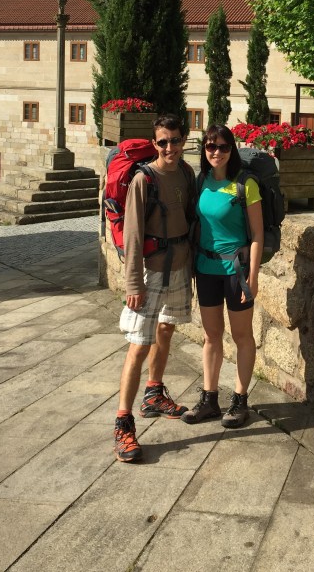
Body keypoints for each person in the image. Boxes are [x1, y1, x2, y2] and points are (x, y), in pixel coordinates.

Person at [113, 114, 196, 463]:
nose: (169, 148)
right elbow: (131, 233)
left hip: (178, 267)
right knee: (139, 346)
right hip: (149, 271)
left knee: (166, 330)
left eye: (175, 140)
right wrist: (133, 282)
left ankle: (154, 393)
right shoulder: (143, 180)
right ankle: (123, 423)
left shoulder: (187, 172)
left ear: (183, 139)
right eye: (162, 142)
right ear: (154, 142)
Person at [182, 124, 263, 429]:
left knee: (242, 336)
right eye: (210, 147)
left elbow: (256, 235)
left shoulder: (245, 185)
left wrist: (253, 278)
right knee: (210, 337)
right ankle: (210, 399)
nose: (216, 152)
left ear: (232, 150)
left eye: (223, 147)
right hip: (206, 270)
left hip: (236, 272)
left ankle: (241, 401)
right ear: (203, 150)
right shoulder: (201, 181)